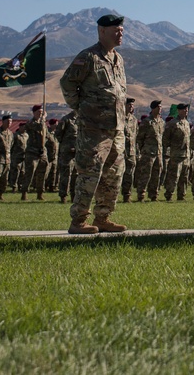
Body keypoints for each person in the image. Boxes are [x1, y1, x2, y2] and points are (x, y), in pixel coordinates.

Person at [60, 13, 129, 234]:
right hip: (94, 130)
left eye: (121, 30)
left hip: (116, 129)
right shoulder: (88, 57)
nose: (120, 33)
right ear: (102, 31)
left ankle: (103, 217)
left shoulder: (118, 59)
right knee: (90, 173)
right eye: (116, 30)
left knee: (114, 175)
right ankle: (78, 220)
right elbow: (68, 83)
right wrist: (80, 108)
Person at [134, 100, 165, 201]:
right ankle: (141, 194)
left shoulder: (161, 122)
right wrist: (143, 149)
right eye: (158, 107)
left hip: (158, 152)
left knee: (157, 174)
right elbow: (139, 138)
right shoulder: (147, 122)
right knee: (145, 174)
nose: (160, 109)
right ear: (153, 108)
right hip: (148, 152)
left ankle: (153, 195)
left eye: (161, 107)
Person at [162, 103, 191, 200]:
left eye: (186, 110)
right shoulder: (173, 123)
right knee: (174, 176)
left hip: (186, 155)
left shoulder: (186, 123)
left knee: (184, 177)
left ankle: (181, 195)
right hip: (176, 154)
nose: (186, 111)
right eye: (184, 109)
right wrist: (168, 151)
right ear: (179, 110)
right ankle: (169, 194)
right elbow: (165, 139)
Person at [20, 105, 48, 201]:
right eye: (38, 112)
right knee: (29, 173)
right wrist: (43, 119)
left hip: (42, 152)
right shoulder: (31, 123)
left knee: (42, 174)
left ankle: (40, 193)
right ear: (34, 113)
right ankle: (24, 192)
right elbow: (39, 128)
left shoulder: (43, 124)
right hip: (32, 152)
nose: (40, 114)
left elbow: (45, 135)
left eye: (41, 112)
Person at [120, 98, 138, 202]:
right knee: (117, 174)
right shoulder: (119, 118)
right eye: (129, 105)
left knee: (129, 174)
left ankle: (127, 196)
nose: (131, 107)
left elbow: (136, 136)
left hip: (131, 152)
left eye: (132, 105)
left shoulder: (134, 120)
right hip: (120, 151)